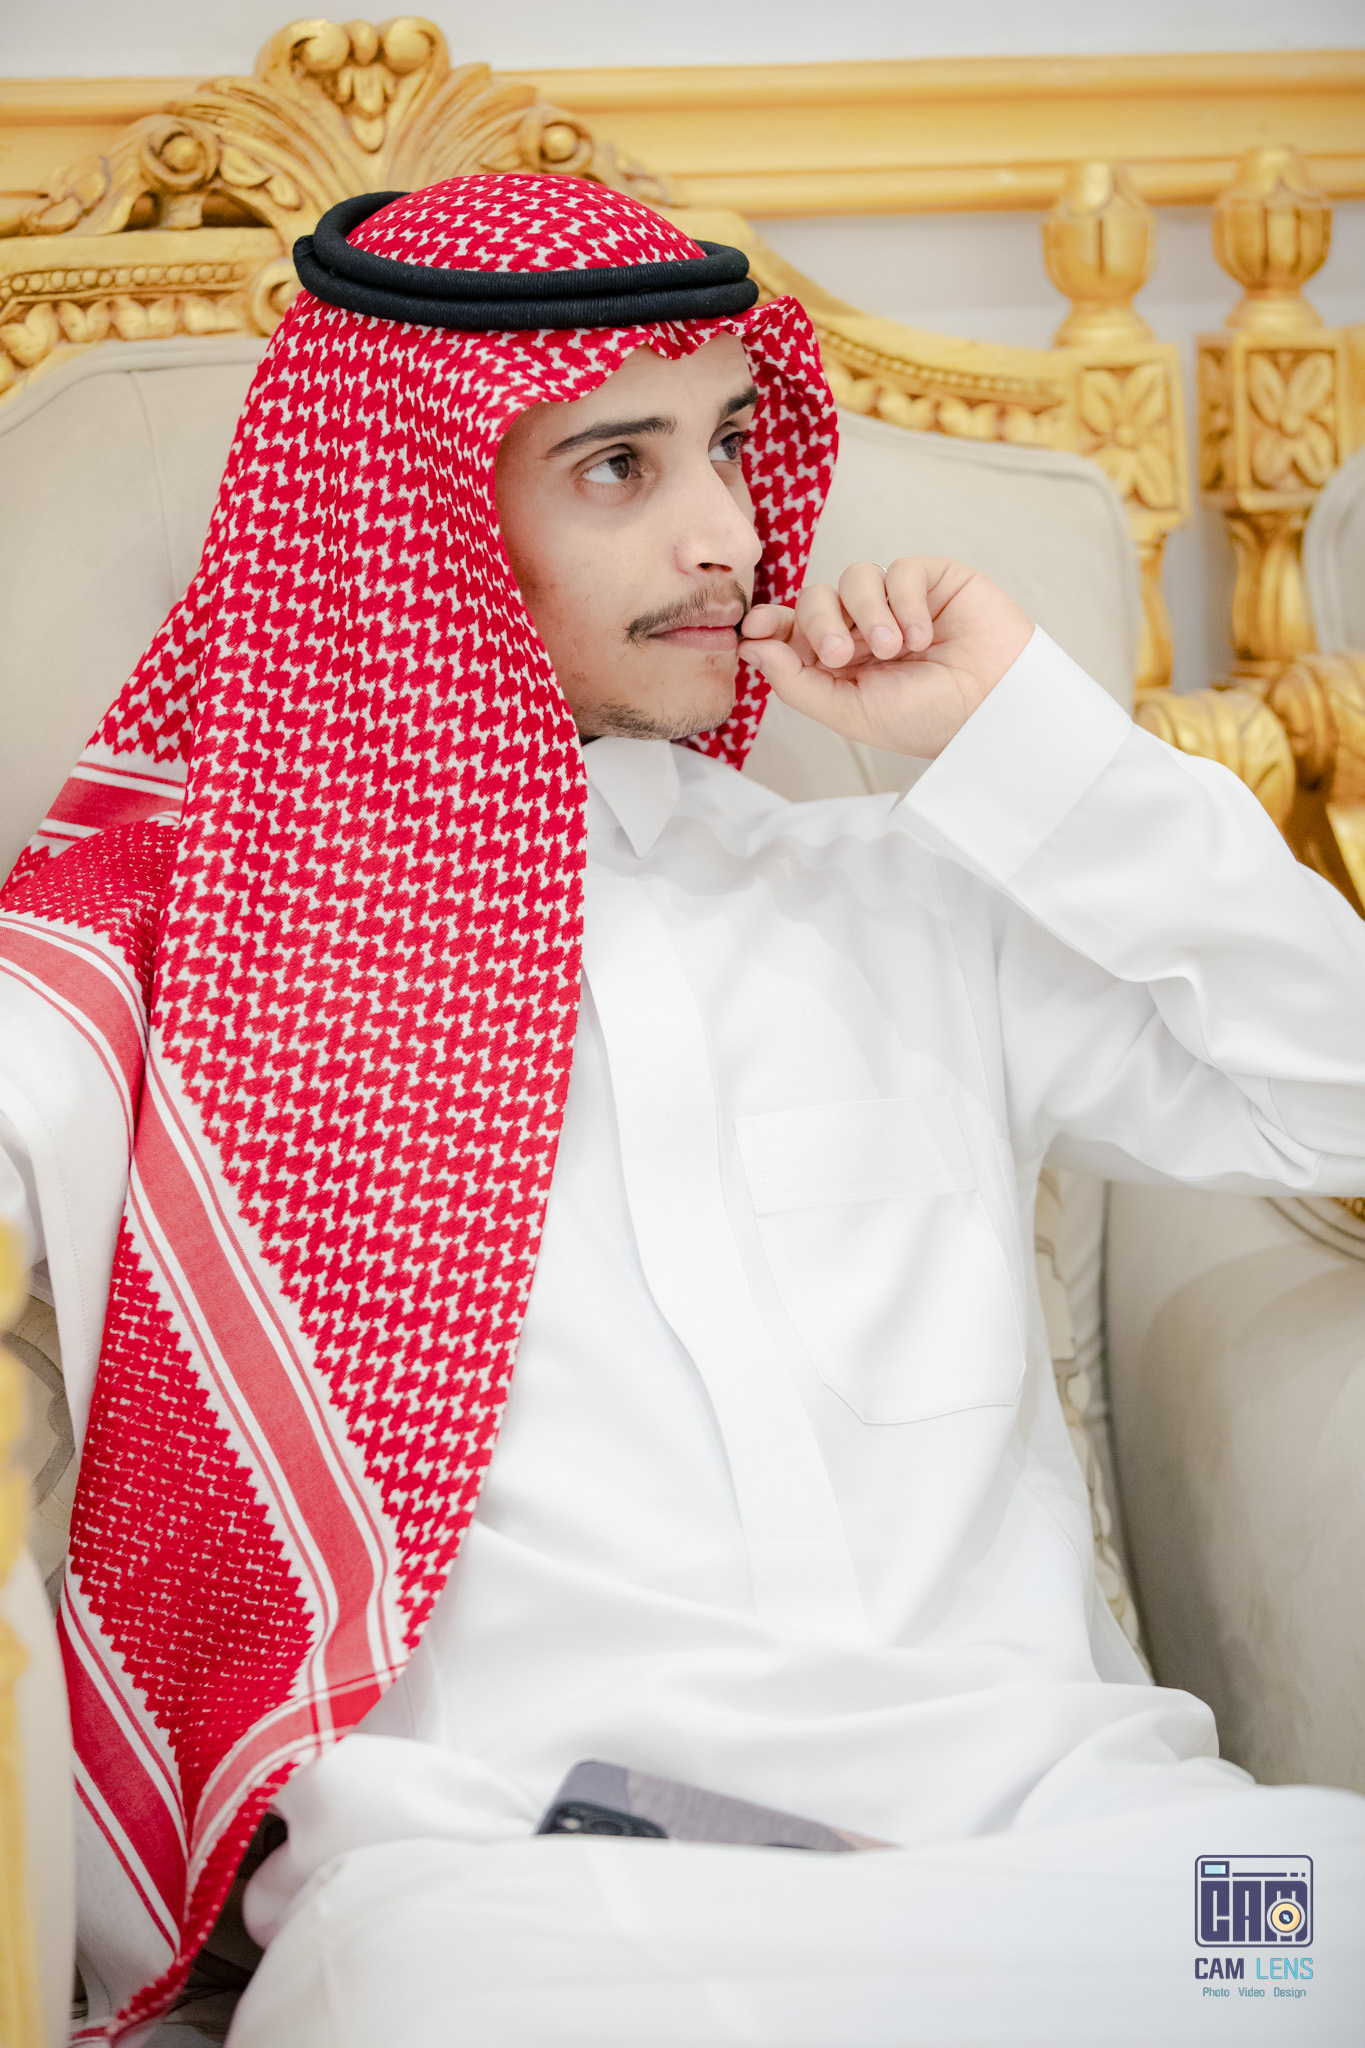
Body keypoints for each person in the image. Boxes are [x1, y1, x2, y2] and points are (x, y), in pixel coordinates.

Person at [1, 173, 1362, 2048]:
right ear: (421, 521)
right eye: (619, 468)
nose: (727, 533)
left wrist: (1028, 743)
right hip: (534, 1909)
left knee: (1325, 1929)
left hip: (1072, 1848)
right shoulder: (182, 952)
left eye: (727, 444)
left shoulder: (904, 892)